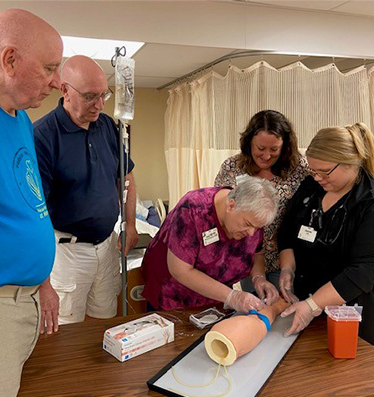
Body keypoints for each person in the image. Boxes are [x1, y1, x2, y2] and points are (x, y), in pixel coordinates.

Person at [0, 9, 63, 397]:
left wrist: (42, 281)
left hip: (21, 299)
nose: (58, 83)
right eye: (50, 68)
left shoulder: (21, 118)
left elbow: (27, 201)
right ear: (10, 60)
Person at [34, 55, 138, 325]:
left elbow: (126, 176)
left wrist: (131, 224)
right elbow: (35, 212)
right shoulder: (43, 136)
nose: (100, 105)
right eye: (91, 96)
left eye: (104, 94)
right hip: (68, 253)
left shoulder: (108, 127)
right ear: (65, 90)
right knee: (66, 332)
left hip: (106, 246)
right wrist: (43, 280)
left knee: (105, 322)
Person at [278, 123, 374, 345]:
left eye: (325, 171)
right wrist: (287, 268)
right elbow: (287, 230)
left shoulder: (368, 202)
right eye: (313, 171)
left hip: (348, 311)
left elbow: (364, 270)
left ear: (351, 162)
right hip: (304, 300)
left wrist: (313, 305)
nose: (318, 178)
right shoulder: (311, 186)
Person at [141, 175, 279, 312]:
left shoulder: (253, 218)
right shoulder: (193, 210)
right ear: (231, 206)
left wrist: (259, 278)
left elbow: (257, 252)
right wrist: (233, 297)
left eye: (257, 228)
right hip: (173, 296)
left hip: (217, 296)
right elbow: (180, 271)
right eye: (247, 225)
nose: (251, 233)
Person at [215, 110, 308, 290]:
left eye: (274, 149)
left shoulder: (298, 168)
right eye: (260, 149)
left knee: (283, 307)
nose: (266, 156)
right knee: (255, 307)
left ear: (285, 146)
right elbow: (220, 211)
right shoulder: (232, 167)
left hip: (286, 257)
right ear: (249, 142)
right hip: (247, 257)